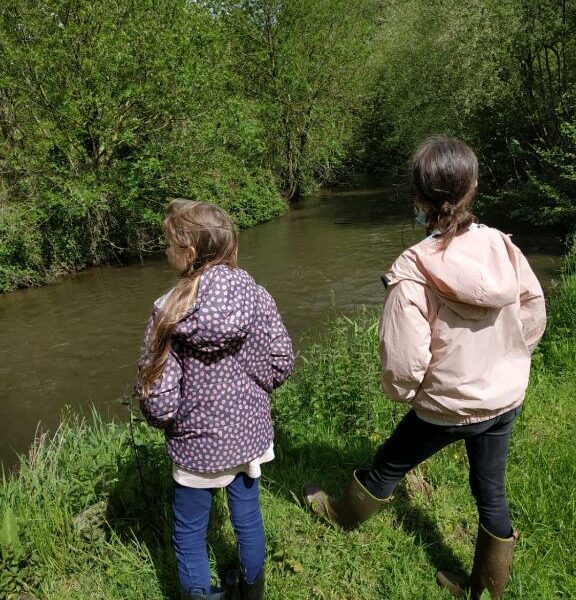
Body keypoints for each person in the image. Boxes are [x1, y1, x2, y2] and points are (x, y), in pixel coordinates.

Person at [304, 135, 546, 599]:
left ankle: (340, 514)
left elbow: (404, 360)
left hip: (446, 405)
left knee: (389, 464)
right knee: (490, 491)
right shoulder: (501, 245)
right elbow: (533, 310)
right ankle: (486, 591)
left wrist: (407, 394)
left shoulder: (412, 268)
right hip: (504, 397)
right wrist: (513, 358)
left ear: (417, 198)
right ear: (472, 187)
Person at [138, 199, 294, 600]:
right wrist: (258, 392)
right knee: (247, 516)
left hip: (196, 445)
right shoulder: (258, 295)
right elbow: (281, 361)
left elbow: (159, 401)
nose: (165, 252)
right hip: (249, 435)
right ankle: (252, 591)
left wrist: (166, 422)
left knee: (190, 530)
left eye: (169, 245)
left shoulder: (167, 312)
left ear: (190, 253)